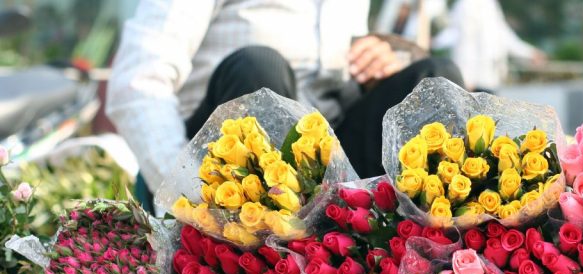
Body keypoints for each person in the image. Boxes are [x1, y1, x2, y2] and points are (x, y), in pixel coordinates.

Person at [106, 0, 463, 212]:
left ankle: (412, 255)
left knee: (434, 78)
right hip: (228, 165)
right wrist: (186, 197)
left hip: (324, 154)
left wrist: (386, 59)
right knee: (259, 70)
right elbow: (136, 84)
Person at [432, 0, 544, 93]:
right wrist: (467, 78)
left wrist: (529, 53)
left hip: (488, 80)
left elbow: (503, 36)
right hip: (470, 82)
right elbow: (458, 35)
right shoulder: (466, 4)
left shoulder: (490, 4)